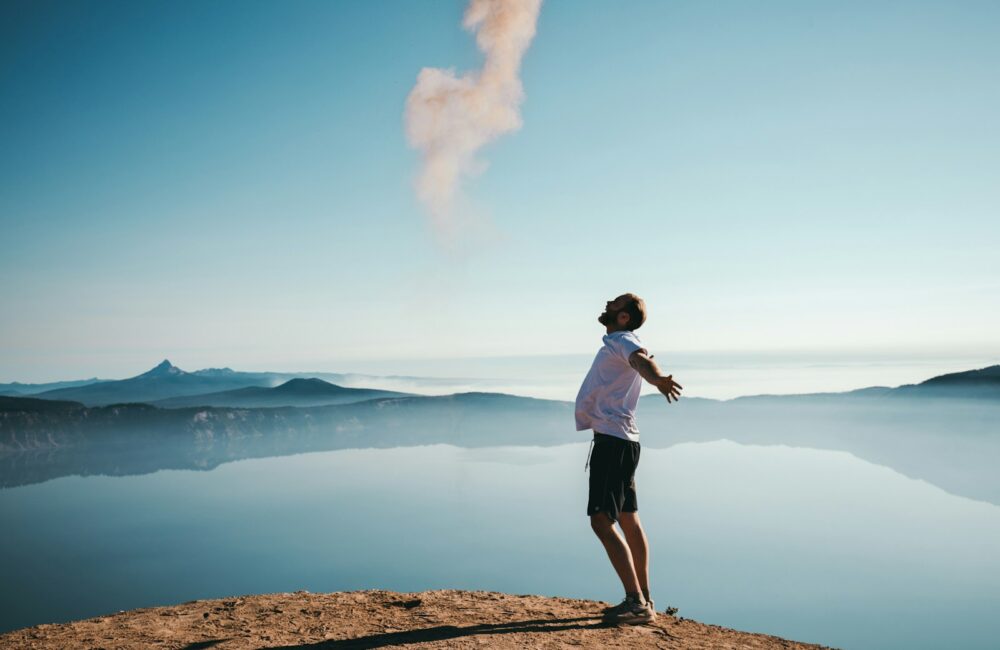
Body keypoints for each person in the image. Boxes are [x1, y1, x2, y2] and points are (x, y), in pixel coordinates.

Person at [575, 292, 682, 625]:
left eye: (614, 304)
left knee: (601, 520)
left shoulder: (622, 341)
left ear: (623, 317)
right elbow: (639, 360)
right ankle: (644, 597)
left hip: (612, 442)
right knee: (627, 517)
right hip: (622, 441)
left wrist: (656, 379)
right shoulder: (620, 341)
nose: (607, 304)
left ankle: (636, 603)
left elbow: (641, 361)